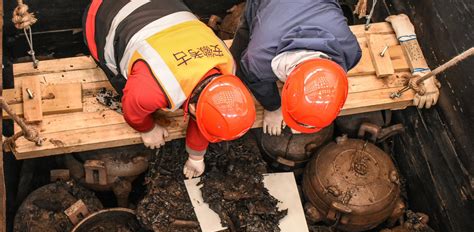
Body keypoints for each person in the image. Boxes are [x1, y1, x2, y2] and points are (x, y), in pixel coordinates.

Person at [83, 0, 256, 179]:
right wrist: (147, 129)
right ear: (193, 109)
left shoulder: (227, 67)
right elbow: (132, 109)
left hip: (162, 8)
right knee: (119, 77)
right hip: (103, 12)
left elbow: (206, 106)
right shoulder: (149, 91)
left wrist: (196, 156)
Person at [230, 0, 362, 136]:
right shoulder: (258, 60)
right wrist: (273, 107)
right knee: (240, 49)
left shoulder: (351, 50)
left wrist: (306, 116)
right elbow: (255, 79)